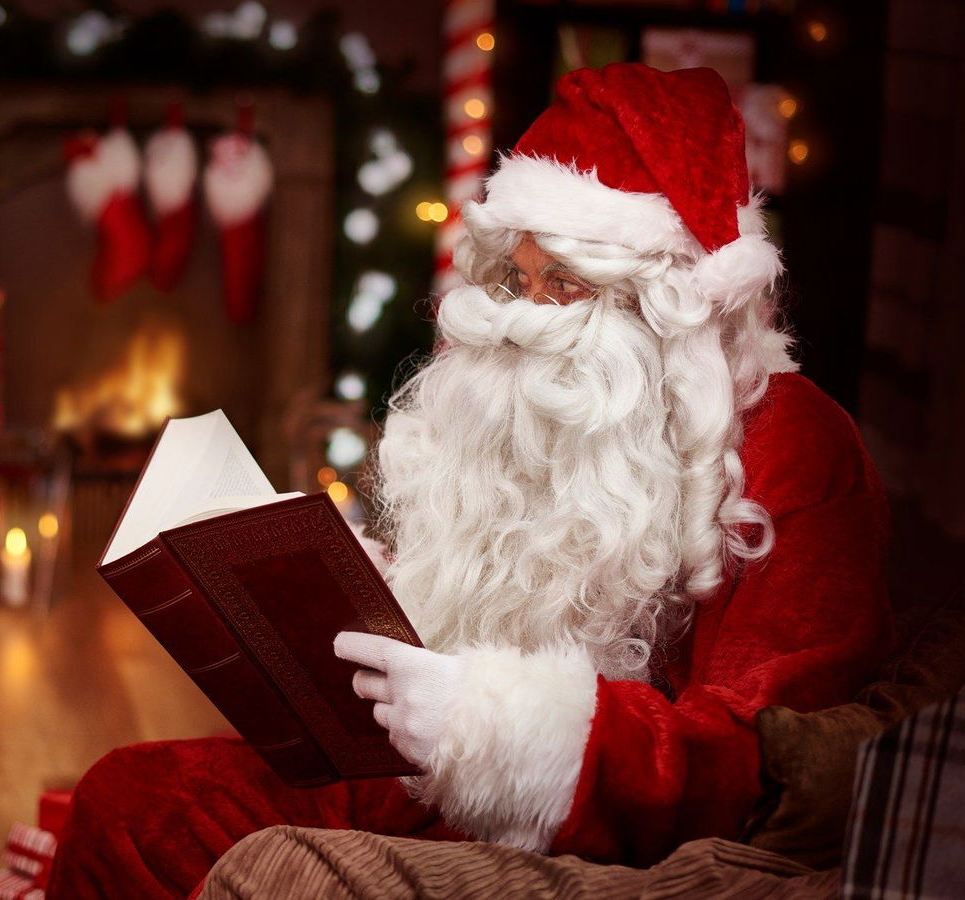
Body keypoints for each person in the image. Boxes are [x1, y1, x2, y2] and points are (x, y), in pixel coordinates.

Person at [48, 63, 893, 898]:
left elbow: (781, 768)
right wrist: (381, 600)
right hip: (432, 782)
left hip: (596, 840)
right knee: (126, 804)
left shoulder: (793, 443)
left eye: (565, 285)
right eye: (514, 281)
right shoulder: (536, 397)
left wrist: (508, 733)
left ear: (671, 302)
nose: (523, 317)